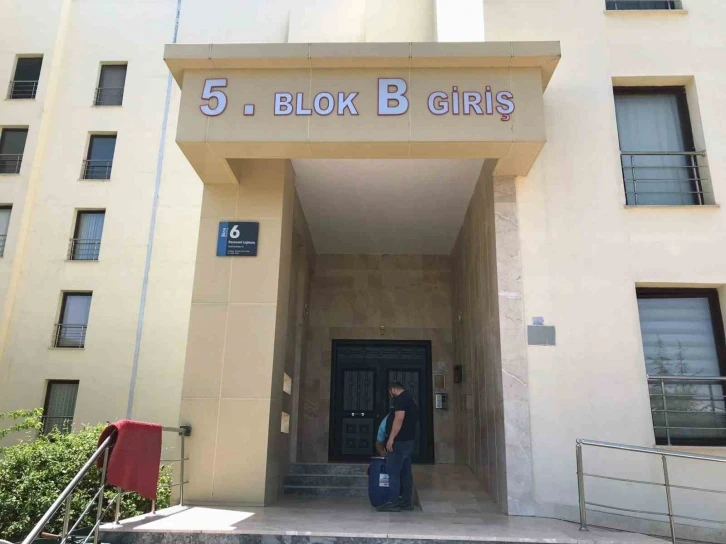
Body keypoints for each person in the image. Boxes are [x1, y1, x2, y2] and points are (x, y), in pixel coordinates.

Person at [376, 381, 418, 512]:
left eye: (390, 392)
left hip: (399, 442)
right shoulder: (411, 398)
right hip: (408, 441)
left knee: (393, 471)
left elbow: (399, 418)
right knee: (405, 472)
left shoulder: (400, 399)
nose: (390, 395)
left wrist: (391, 438)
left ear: (393, 389)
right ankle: (406, 501)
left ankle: (393, 502)